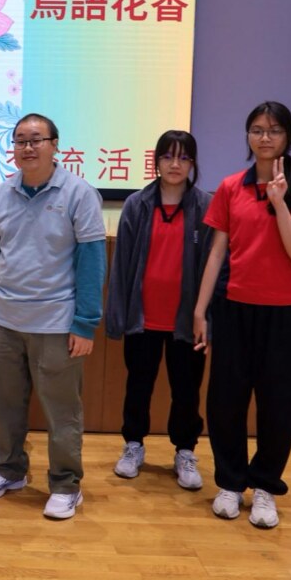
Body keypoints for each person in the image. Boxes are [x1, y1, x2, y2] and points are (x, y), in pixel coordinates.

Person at [193, 101, 291, 529]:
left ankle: (266, 486)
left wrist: (280, 203)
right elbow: (217, 253)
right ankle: (230, 482)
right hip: (234, 309)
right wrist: (200, 309)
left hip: (284, 314)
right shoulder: (231, 186)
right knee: (225, 401)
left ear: (289, 137)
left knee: (276, 403)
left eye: (273, 130)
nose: (264, 138)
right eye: (256, 130)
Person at [0, 113, 107, 520]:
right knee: (5, 405)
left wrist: (85, 324)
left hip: (56, 323)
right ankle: (9, 470)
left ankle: (66, 485)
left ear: (54, 145)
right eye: (20, 141)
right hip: (4, 320)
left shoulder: (79, 194)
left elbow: (92, 263)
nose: (27, 147)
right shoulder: (2, 194)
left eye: (36, 140)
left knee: (62, 412)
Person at [105, 130, 212, 490]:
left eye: (183, 157)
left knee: (186, 391)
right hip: (143, 318)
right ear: (157, 161)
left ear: (192, 163)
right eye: (168, 156)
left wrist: (207, 318)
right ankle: (133, 445)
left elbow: (213, 265)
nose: (175, 164)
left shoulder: (205, 207)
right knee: (138, 385)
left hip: (187, 321)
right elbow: (121, 266)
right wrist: (118, 315)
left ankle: (185, 451)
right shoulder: (137, 204)